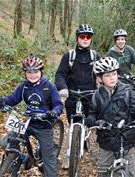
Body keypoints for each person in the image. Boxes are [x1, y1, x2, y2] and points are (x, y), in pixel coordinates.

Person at [0, 54, 63, 177]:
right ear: (25, 73)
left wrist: (53, 113)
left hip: (43, 125)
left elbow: (58, 104)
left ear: (41, 71)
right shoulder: (24, 86)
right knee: (6, 142)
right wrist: (0, 101)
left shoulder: (49, 87)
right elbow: (12, 99)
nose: (32, 74)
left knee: (49, 159)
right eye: (29, 72)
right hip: (26, 122)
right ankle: (23, 158)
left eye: (35, 71)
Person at [85, 57, 135, 177]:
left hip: (126, 138)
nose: (112, 78)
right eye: (107, 75)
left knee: (130, 172)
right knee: (103, 171)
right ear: (100, 78)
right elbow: (92, 113)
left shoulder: (128, 91)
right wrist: (92, 120)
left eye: (114, 74)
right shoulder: (97, 95)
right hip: (106, 140)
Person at [54, 24, 101, 169]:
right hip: (72, 94)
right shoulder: (69, 56)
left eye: (88, 37)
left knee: (91, 121)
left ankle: (91, 142)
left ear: (91, 39)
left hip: (90, 95)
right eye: (82, 36)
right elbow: (60, 74)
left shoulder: (95, 56)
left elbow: (103, 73)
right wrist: (62, 88)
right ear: (77, 38)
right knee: (72, 125)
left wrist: (101, 86)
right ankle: (70, 153)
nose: (85, 39)